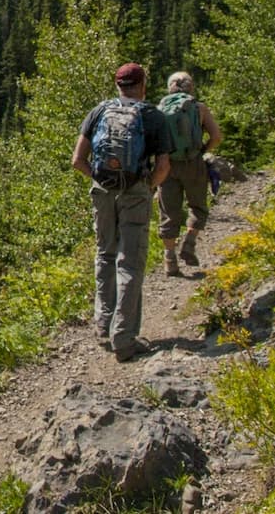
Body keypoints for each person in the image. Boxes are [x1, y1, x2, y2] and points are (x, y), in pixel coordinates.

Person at [71, 63, 173, 362]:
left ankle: (103, 326)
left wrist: (98, 180)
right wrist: (146, 188)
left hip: (102, 192)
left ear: (118, 85)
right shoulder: (152, 115)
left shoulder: (99, 111)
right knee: (130, 262)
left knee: (104, 254)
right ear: (142, 84)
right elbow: (164, 166)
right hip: (135, 193)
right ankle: (124, 338)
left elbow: (77, 160)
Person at [156, 72, 223, 276]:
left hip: (167, 165)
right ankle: (190, 243)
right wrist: (203, 150)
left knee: (168, 212)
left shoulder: (159, 110)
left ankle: (170, 260)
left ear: (170, 88)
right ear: (191, 87)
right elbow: (216, 136)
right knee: (198, 206)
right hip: (193, 162)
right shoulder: (199, 108)